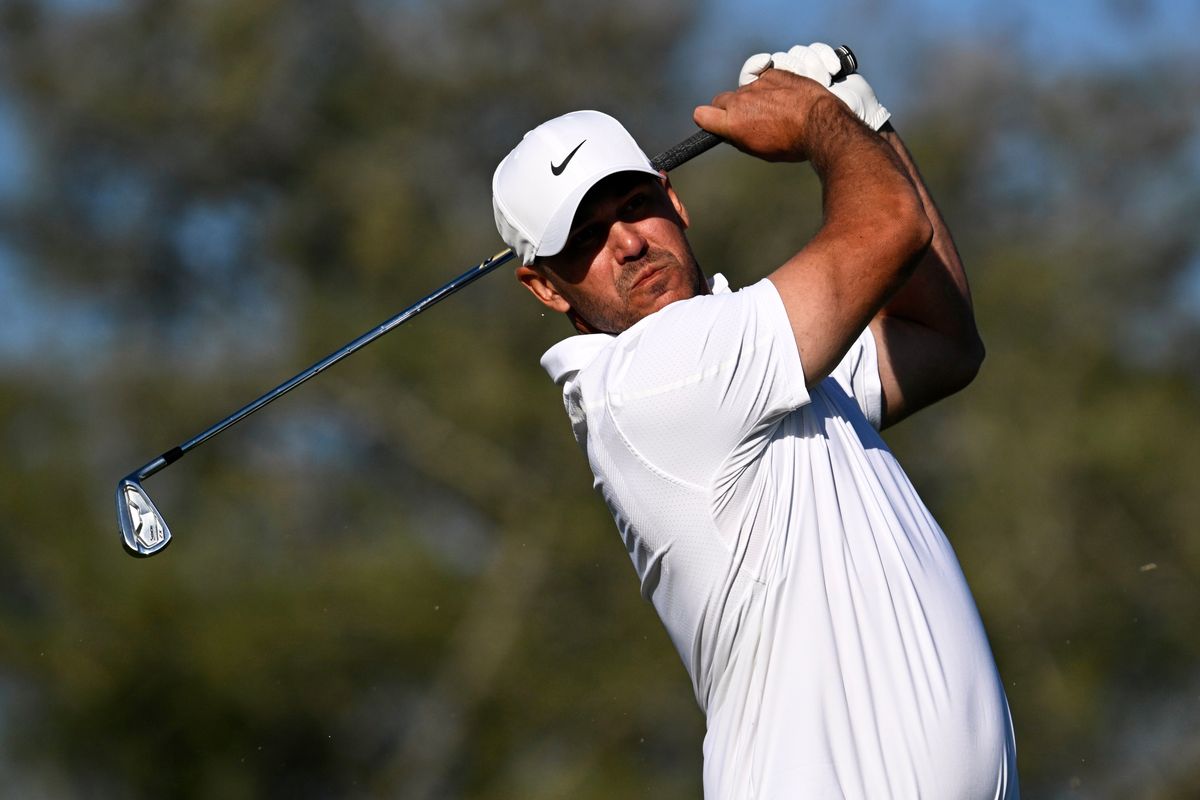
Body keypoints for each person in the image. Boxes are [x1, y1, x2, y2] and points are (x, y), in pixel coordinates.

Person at [491, 43, 1018, 799]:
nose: (628, 243)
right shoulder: (650, 379)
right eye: (584, 240)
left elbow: (940, 340)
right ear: (545, 288)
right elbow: (891, 225)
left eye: (634, 205)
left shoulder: (752, 361)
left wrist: (866, 123)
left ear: (674, 200)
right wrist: (823, 120)